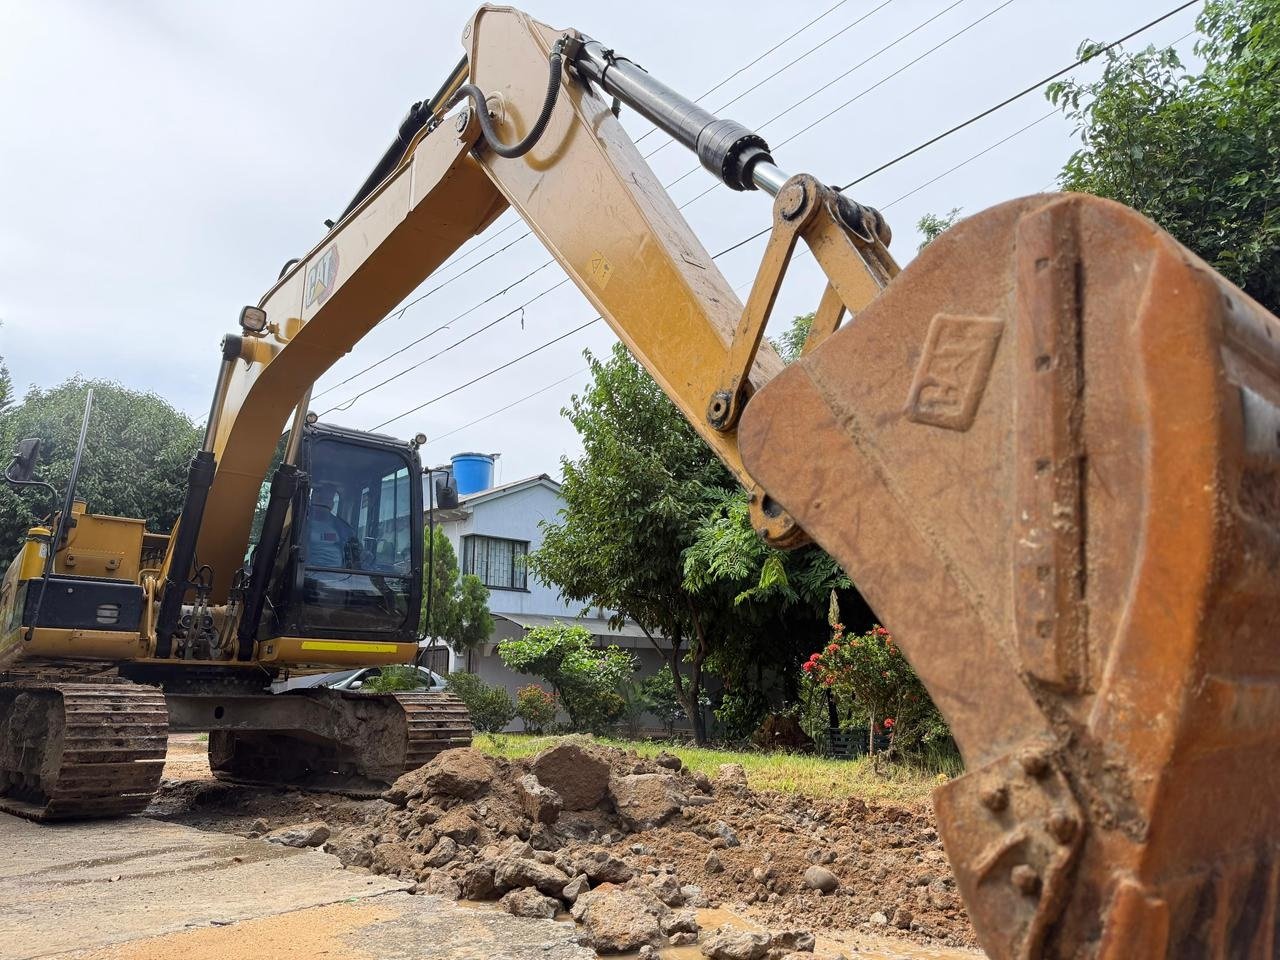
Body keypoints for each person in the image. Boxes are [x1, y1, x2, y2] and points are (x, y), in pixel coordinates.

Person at [307, 482, 359, 568]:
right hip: (308, 572)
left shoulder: (342, 527)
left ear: (332, 504)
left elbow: (354, 550)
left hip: (339, 574)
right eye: (319, 498)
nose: (323, 503)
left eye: (327, 499)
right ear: (312, 500)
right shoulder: (301, 523)